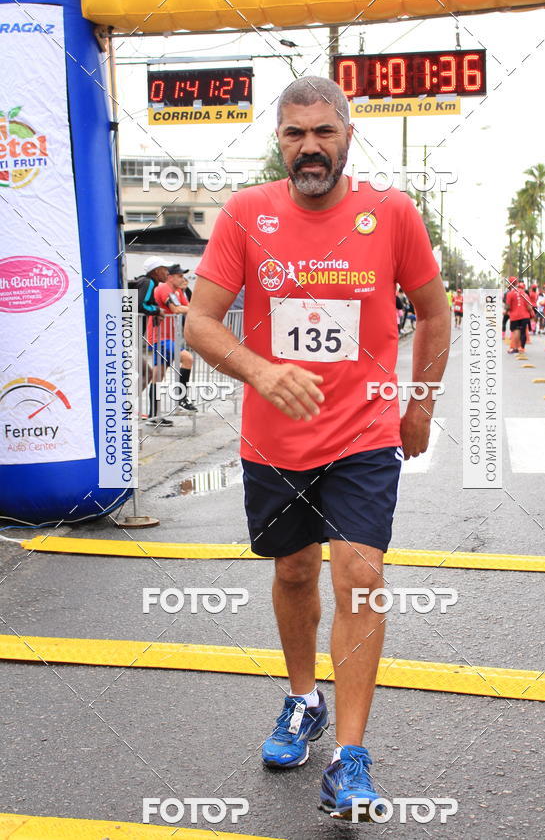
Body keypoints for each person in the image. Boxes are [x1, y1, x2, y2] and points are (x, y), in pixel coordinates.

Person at [184, 75, 450, 822]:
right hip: (275, 439)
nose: (310, 147)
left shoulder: (390, 213)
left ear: (346, 138)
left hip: (364, 432)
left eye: (322, 133)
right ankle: (304, 702)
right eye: (295, 133)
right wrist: (262, 370)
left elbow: (435, 312)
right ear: (280, 140)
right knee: (296, 573)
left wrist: (419, 405)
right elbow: (200, 324)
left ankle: (351, 760)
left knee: (359, 575)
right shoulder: (247, 214)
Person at [151, 264, 198, 413]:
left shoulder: (177, 291)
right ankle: (181, 399)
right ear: (170, 277)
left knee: (158, 376)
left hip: (168, 337)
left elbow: (189, 307)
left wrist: (193, 308)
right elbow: (177, 309)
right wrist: (197, 310)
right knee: (188, 358)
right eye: (180, 276)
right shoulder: (164, 288)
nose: (183, 279)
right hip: (161, 337)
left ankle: (154, 414)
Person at [135, 256, 173, 426]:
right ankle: (122, 409)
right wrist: (157, 310)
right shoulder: (149, 282)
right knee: (148, 373)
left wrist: (155, 311)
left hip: (129, 339)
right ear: (157, 271)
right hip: (126, 339)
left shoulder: (149, 282)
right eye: (166, 269)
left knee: (148, 373)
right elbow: (139, 305)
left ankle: (123, 408)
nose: (168, 273)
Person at [505, 277, 532, 353]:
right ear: (516, 283)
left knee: (516, 331)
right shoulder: (524, 293)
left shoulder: (510, 294)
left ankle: (515, 348)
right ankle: (522, 348)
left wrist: (506, 311)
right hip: (525, 316)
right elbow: (529, 307)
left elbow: (508, 306)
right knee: (523, 332)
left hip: (515, 316)